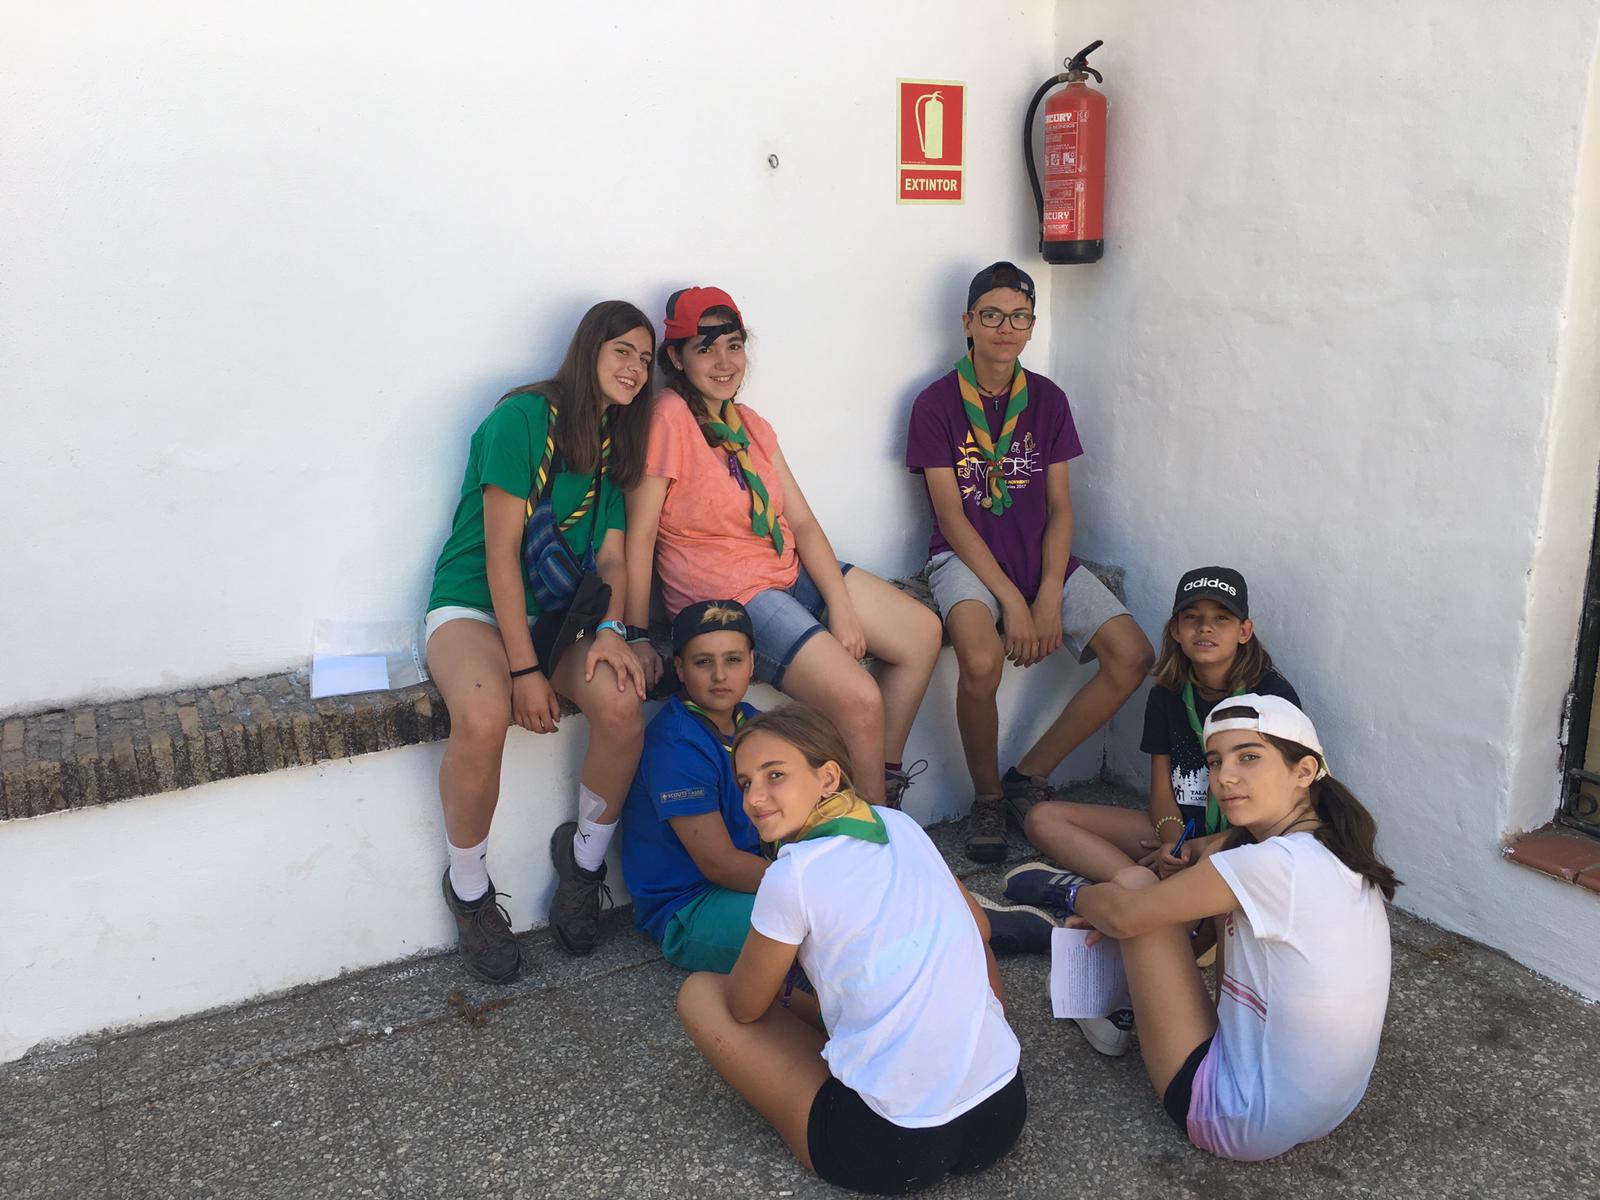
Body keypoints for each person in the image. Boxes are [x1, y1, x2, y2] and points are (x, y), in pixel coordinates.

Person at [677, 704, 1027, 1194]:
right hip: (1002, 1112)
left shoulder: (791, 874)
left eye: (775, 775)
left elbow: (744, 1007)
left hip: (890, 1146)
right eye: (745, 783)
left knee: (701, 993)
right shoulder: (898, 824)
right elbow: (980, 927)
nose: (753, 798)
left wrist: (782, 977)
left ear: (827, 778)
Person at [624, 286, 942, 808]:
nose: (724, 362)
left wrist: (841, 606)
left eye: (733, 345)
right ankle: (875, 829)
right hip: (729, 594)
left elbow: (803, 523)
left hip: (784, 571)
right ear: (677, 359)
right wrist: (637, 634)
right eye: (705, 349)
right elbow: (639, 536)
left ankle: (877, 777)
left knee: (922, 633)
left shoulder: (749, 425)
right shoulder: (669, 417)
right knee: (860, 700)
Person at [424, 300, 653, 979]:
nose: (636, 368)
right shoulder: (521, 419)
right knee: (483, 717)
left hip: (558, 615)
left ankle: (583, 865)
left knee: (623, 701)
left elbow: (611, 559)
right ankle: (469, 892)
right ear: (588, 351)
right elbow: (500, 555)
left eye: (645, 359)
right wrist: (525, 672)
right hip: (473, 604)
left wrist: (611, 631)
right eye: (622, 351)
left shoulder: (613, 443)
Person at [1062, 696, 1397, 1160]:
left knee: (1134, 888)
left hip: (1232, 1117)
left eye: (1249, 757)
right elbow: (1217, 849)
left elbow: (1123, 916)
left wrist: (1081, 899)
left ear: (1304, 771)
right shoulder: (1336, 847)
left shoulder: (1271, 864)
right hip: (1327, 1108)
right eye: (1216, 761)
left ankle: (1094, 969)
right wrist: (1184, 863)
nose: (1225, 777)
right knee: (1163, 897)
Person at [905, 261, 1153, 862]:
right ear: (968, 322)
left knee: (1133, 656)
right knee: (980, 656)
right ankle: (988, 798)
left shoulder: (1046, 399)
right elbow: (952, 518)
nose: (1006, 328)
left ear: (1032, 325)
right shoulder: (936, 403)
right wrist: (1014, 602)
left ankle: (1028, 777)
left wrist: (1048, 592)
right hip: (964, 559)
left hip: (1040, 557)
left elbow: (1061, 508)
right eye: (992, 315)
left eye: (1019, 317)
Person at [1008, 566, 1302, 1053]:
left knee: (1197, 894)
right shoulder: (1168, 692)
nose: (1205, 628)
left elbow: (1281, 811)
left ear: (1245, 631)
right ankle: (1139, 892)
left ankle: (1129, 902)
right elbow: (1161, 785)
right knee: (1043, 818)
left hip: (1235, 845)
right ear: (1176, 631)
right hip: (1176, 832)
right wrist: (1170, 841)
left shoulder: (1271, 699)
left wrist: (1202, 849)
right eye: (1192, 618)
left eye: (1221, 619)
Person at [619, 599, 765, 974]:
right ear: (681, 669)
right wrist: (811, 886)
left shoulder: (755, 723)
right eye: (703, 662)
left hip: (754, 878)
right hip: (690, 905)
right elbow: (721, 865)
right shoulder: (677, 743)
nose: (720, 675)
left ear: (752, 663)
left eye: (733, 660)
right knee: (807, 927)